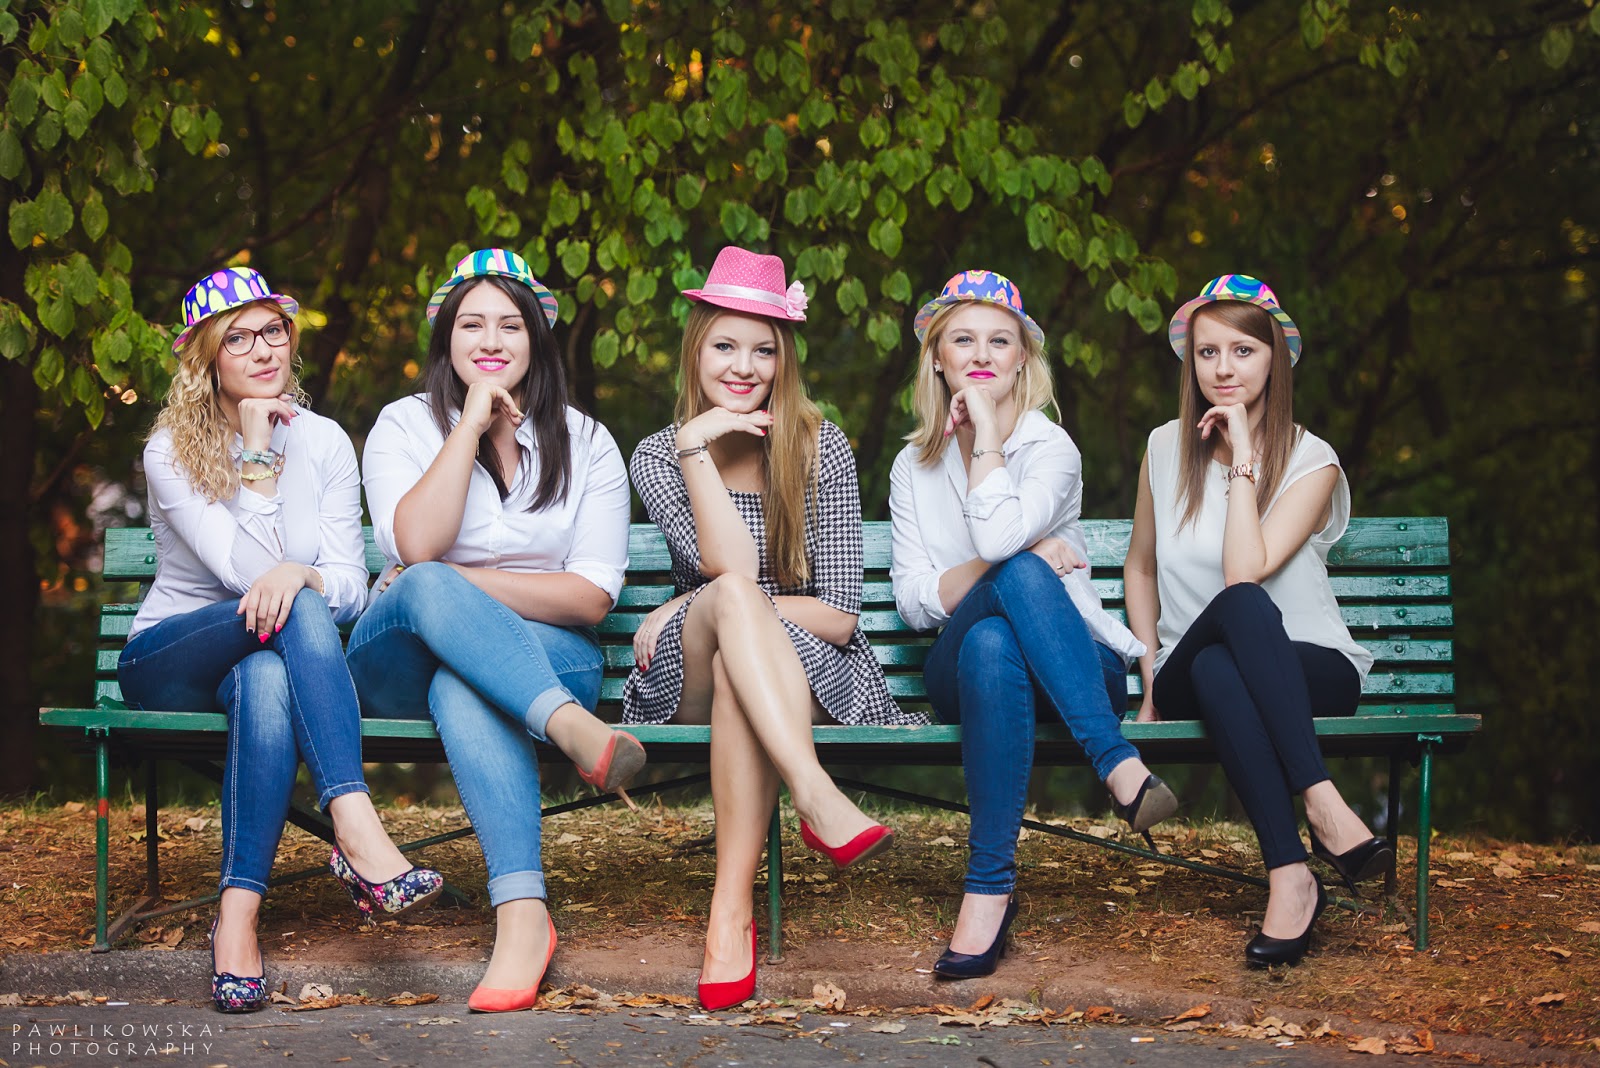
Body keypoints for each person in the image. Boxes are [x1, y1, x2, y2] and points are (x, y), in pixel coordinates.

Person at [117, 268, 443, 1013]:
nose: (263, 349)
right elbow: (249, 576)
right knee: (292, 601)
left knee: (272, 665)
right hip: (171, 657)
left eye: (273, 331)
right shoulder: (171, 450)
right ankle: (354, 826)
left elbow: (351, 583)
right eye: (238, 338)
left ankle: (236, 922)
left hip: (261, 659)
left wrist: (303, 574)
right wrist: (259, 452)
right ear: (207, 359)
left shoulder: (324, 442)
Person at [623, 246, 925, 1010]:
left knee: (736, 642)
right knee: (729, 603)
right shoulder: (661, 453)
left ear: (784, 358)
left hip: (810, 666)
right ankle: (815, 793)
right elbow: (729, 569)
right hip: (688, 670)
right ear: (696, 349)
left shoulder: (821, 445)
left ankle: (728, 918)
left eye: (763, 350)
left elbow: (839, 615)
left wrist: (691, 604)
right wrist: (697, 445)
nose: (743, 366)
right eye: (725, 346)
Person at [346, 249, 637, 1012]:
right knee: (426, 585)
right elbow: (416, 547)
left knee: (464, 675)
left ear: (537, 337)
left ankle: (522, 918)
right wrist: (470, 423)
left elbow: (590, 598)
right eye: (471, 324)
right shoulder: (404, 425)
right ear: (446, 336)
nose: (491, 340)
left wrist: (456, 582)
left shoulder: (587, 441)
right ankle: (569, 728)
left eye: (511, 324)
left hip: (550, 656)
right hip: (398, 661)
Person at [888, 269, 1177, 981]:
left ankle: (986, 892)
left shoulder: (1053, 450)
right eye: (963, 339)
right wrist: (1012, 560)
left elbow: (991, 542)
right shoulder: (912, 466)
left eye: (1000, 340)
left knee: (998, 629)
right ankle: (1118, 765)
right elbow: (917, 601)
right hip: (956, 672)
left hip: (1077, 664)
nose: (982, 354)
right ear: (937, 358)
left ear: (1023, 358)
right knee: (1008, 589)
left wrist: (989, 435)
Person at [1125, 274, 1391, 967]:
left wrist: (1244, 460)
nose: (1224, 368)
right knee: (1221, 641)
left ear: (1276, 357)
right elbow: (1142, 569)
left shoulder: (1312, 459)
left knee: (1231, 647)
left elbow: (1246, 568)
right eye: (1208, 352)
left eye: (1243, 351)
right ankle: (1323, 803)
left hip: (1309, 666)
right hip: (1185, 669)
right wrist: (1150, 680)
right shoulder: (1164, 448)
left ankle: (1291, 877)